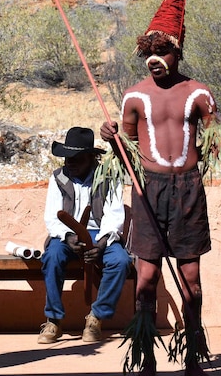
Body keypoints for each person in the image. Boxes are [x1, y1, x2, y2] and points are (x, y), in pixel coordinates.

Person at [101, 0, 214, 376]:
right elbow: (127, 155)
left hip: (187, 190)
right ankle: (145, 355)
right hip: (147, 190)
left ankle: (193, 351)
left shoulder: (199, 93)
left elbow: (215, 142)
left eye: (161, 51)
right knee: (145, 281)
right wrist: (113, 139)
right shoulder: (134, 97)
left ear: (177, 51)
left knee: (192, 282)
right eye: (148, 52)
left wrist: (214, 153)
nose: (154, 59)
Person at [38, 126, 131, 345]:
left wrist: (101, 243)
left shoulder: (109, 176)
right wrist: (68, 237)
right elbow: (52, 216)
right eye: (67, 157)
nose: (70, 162)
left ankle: (96, 317)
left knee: (120, 261)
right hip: (66, 235)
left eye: (76, 158)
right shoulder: (58, 178)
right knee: (52, 258)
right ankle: (53, 319)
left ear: (90, 157)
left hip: (100, 234)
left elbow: (114, 213)